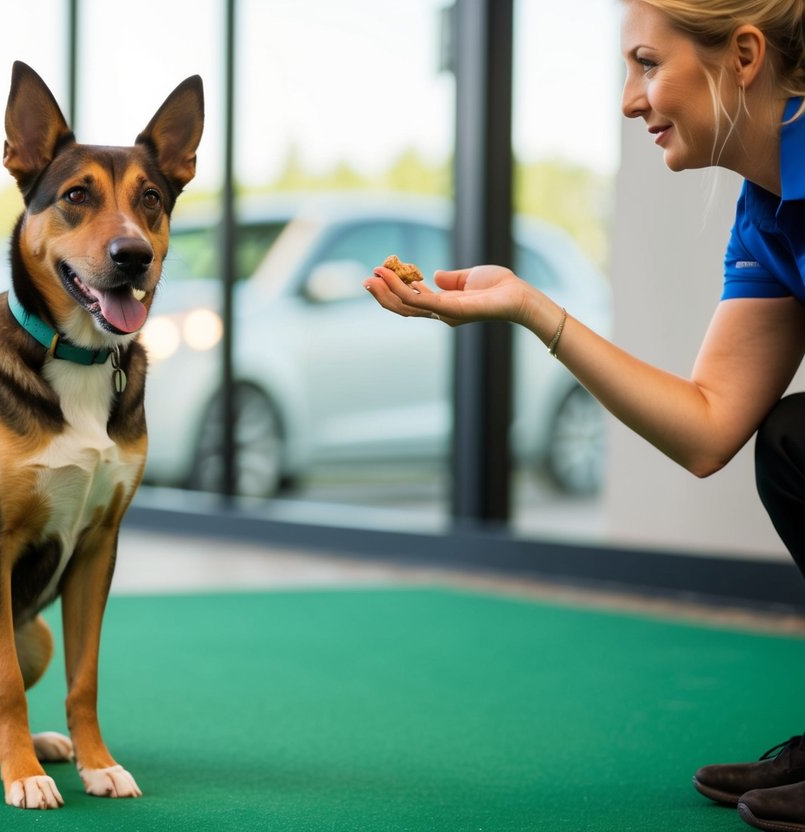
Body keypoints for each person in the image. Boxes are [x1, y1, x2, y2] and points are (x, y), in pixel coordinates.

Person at [363, 1, 805, 830]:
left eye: (646, 63)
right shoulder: (765, 210)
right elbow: (709, 425)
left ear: (742, 55)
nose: (628, 101)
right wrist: (531, 309)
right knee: (789, 442)